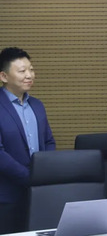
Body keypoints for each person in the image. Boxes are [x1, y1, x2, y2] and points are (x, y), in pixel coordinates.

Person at [0, 47, 55, 234]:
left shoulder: (37, 105)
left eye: (31, 70)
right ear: (4, 76)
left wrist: (43, 173)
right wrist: (29, 177)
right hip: (6, 196)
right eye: (22, 71)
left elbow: (49, 141)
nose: (29, 75)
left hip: (39, 193)